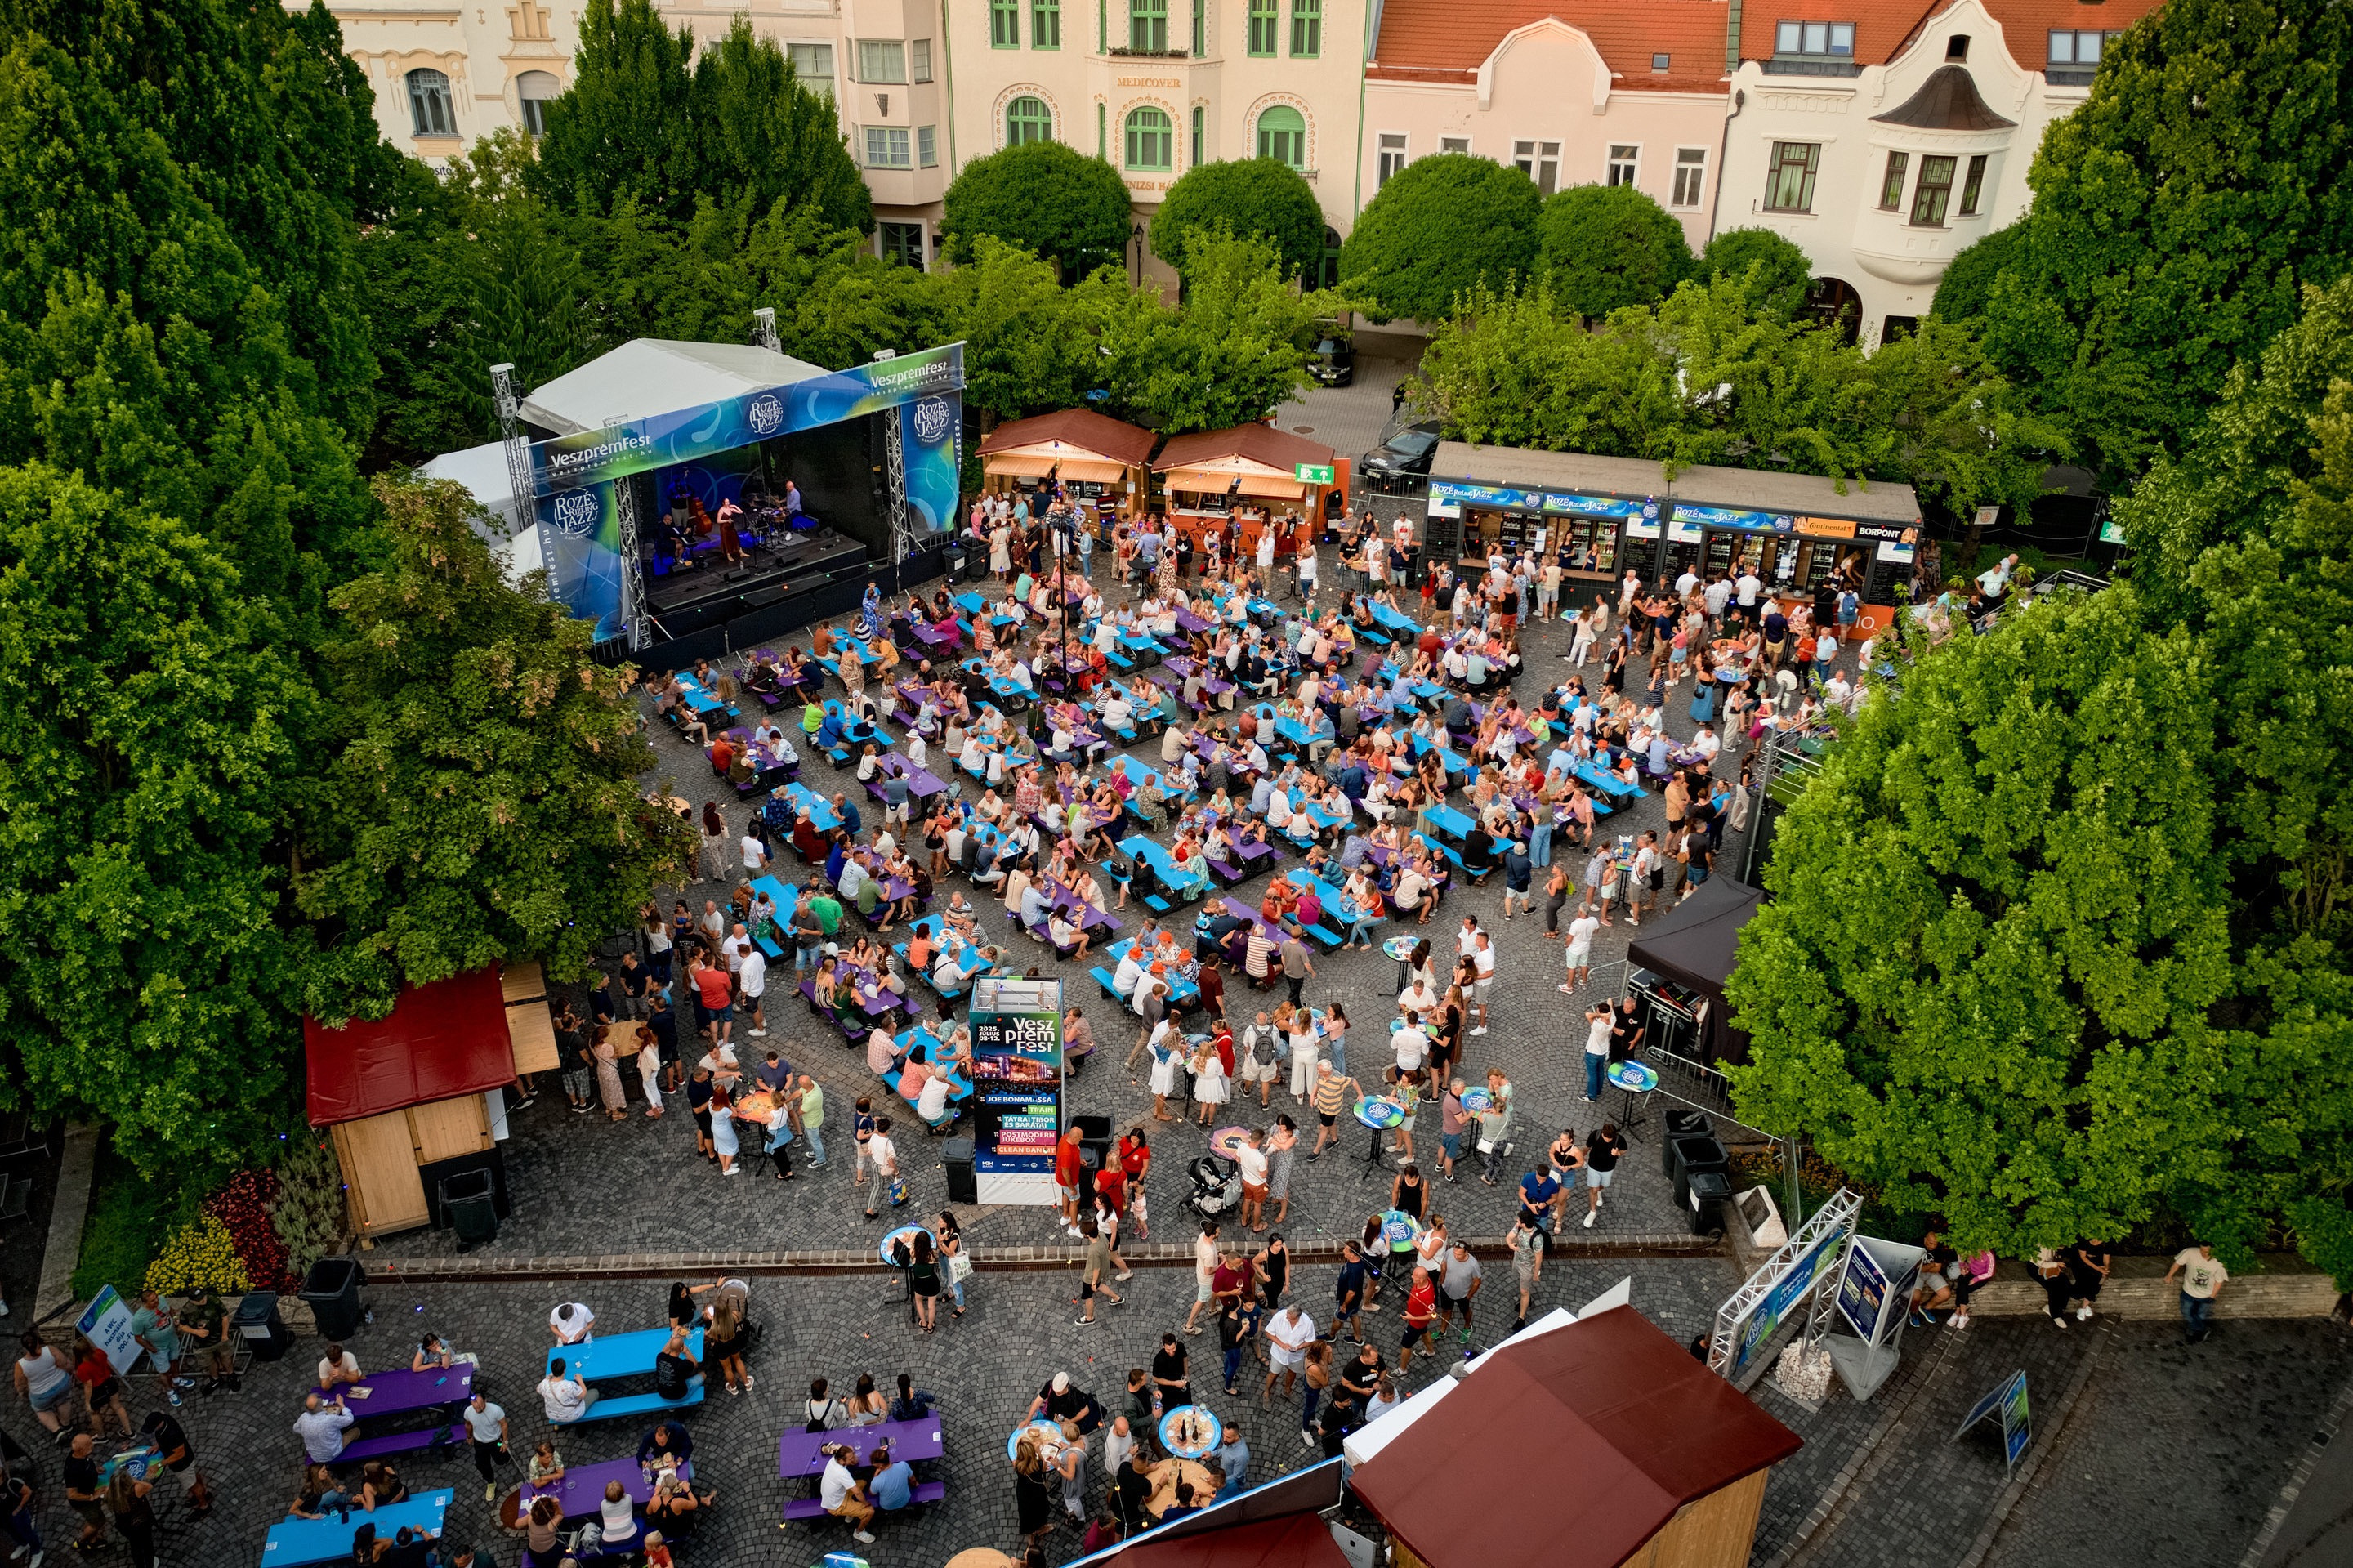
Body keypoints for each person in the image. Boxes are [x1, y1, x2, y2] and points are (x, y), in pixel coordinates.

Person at [139, 1405, 214, 1516]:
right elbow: (168, 1441)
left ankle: (204, 1505)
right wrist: (158, 1446)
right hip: (187, 1458)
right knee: (193, 1477)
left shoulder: (171, 1434)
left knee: (192, 1485)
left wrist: (159, 1465)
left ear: (158, 1424)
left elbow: (179, 1454)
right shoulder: (166, 1419)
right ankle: (204, 1493)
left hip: (182, 1464)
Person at [15, 1330, 77, 1441]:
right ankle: (67, 1425)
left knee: (42, 1410)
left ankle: (57, 1430)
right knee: (63, 1401)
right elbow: (65, 1364)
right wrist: (72, 1372)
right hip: (61, 1384)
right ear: (38, 1342)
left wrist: (23, 1394)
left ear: (24, 1347)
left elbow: (20, 1384)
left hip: (41, 1394)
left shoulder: (20, 1365)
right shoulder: (50, 1350)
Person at [2165, 1243, 2230, 1344]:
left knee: (2200, 1315)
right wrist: (2169, 1276)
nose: (2203, 1253)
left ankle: (2191, 1333)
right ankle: (2202, 1330)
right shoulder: (2190, 1252)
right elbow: (2178, 1263)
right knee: (2186, 1313)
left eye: (2206, 1251)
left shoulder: (2218, 1263)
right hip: (2188, 1291)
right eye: (2201, 1250)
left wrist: (2212, 1296)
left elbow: (2219, 1281)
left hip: (2206, 1295)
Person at [821, 1442, 880, 1543]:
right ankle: (859, 1532)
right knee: (870, 1511)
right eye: (850, 1458)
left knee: (863, 1483)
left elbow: (853, 1456)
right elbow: (857, 1493)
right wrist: (866, 1503)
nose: (853, 1459)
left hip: (838, 1494)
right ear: (842, 1461)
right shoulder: (842, 1473)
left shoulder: (835, 1459)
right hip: (836, 1505)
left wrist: (852, 1456)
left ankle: (851, 1513)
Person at [462, 1390, 508, 1501]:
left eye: (480, 1406)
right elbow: (468, 1424)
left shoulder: (496, 1410)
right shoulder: (468, 1411)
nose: (478, 1410)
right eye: (475, 1407)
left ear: (485, 1401)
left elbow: (504, 1424)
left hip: (496, 1440)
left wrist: (505, 1442)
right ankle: (491, 1483)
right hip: (480, 1443)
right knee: (481, 1465)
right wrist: (469, 1436)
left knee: (502, 1459)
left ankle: (506, 1456)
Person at [1581, 1122, 1627, 1227]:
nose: (1608, 1140)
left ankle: (1599, 1193)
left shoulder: (1619, 1139)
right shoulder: (1595, 1135)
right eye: (1606, 1138)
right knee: (1594, 1189)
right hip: (1593, 1166)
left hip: (1608, 1168)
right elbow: (1587, 1147)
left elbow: (1624, 1150)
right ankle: (1592, 1212)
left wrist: (1618, 1153)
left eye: (1610, 1139)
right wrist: (1582, 1157)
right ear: (1602, 1133)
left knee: (1602, 1186)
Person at [293, 1392, 354, 1463]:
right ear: (321, 1405)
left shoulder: (304, 1417)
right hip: (332, 1453)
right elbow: (350, 1419)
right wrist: (341, 1404)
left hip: (315, 1456)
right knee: (355, 1431)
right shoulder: (329, 1419)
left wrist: (310, 1431)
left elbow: (296, 1428)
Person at [538, 1359, 596, 1424]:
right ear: (564, 1371)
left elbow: (538, 1390)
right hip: (572, 1415)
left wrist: (550, 1376)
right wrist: (580, 1380)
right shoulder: (569, 1385)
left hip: (552, 1415)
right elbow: (583, 1394)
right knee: (595, 1392)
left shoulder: (544, 1383)